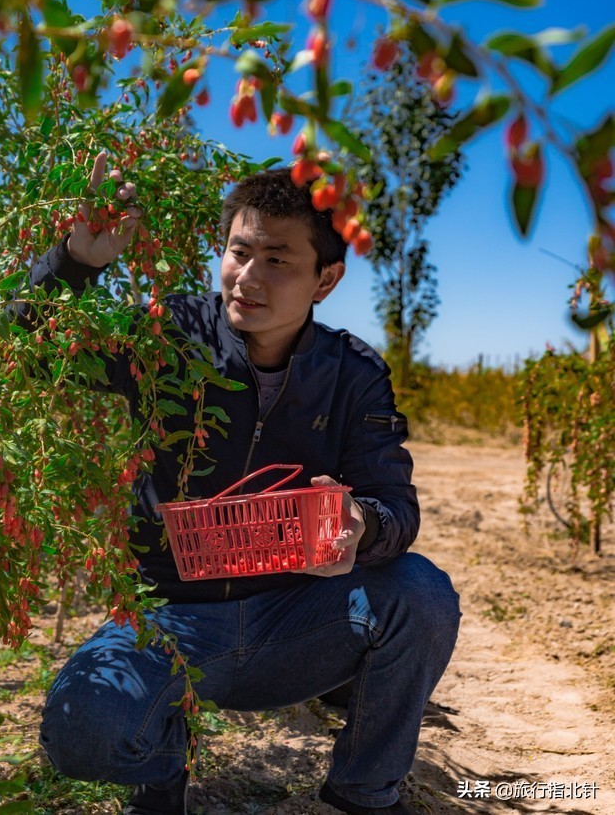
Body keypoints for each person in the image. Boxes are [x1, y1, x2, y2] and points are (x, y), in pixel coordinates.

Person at [27, 152, 461, 815]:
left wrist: (361, 524)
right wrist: (77, 258)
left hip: (294, 618)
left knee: (421, 592)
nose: (247, 277)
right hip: (167, 616)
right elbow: (32, 345)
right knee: (81, 729)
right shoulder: (169, 336)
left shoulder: (353, 374)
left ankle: (365, 788)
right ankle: (161, 767)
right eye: (239, 251)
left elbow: (395, 506)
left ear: (326, 279)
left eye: (278, 259)